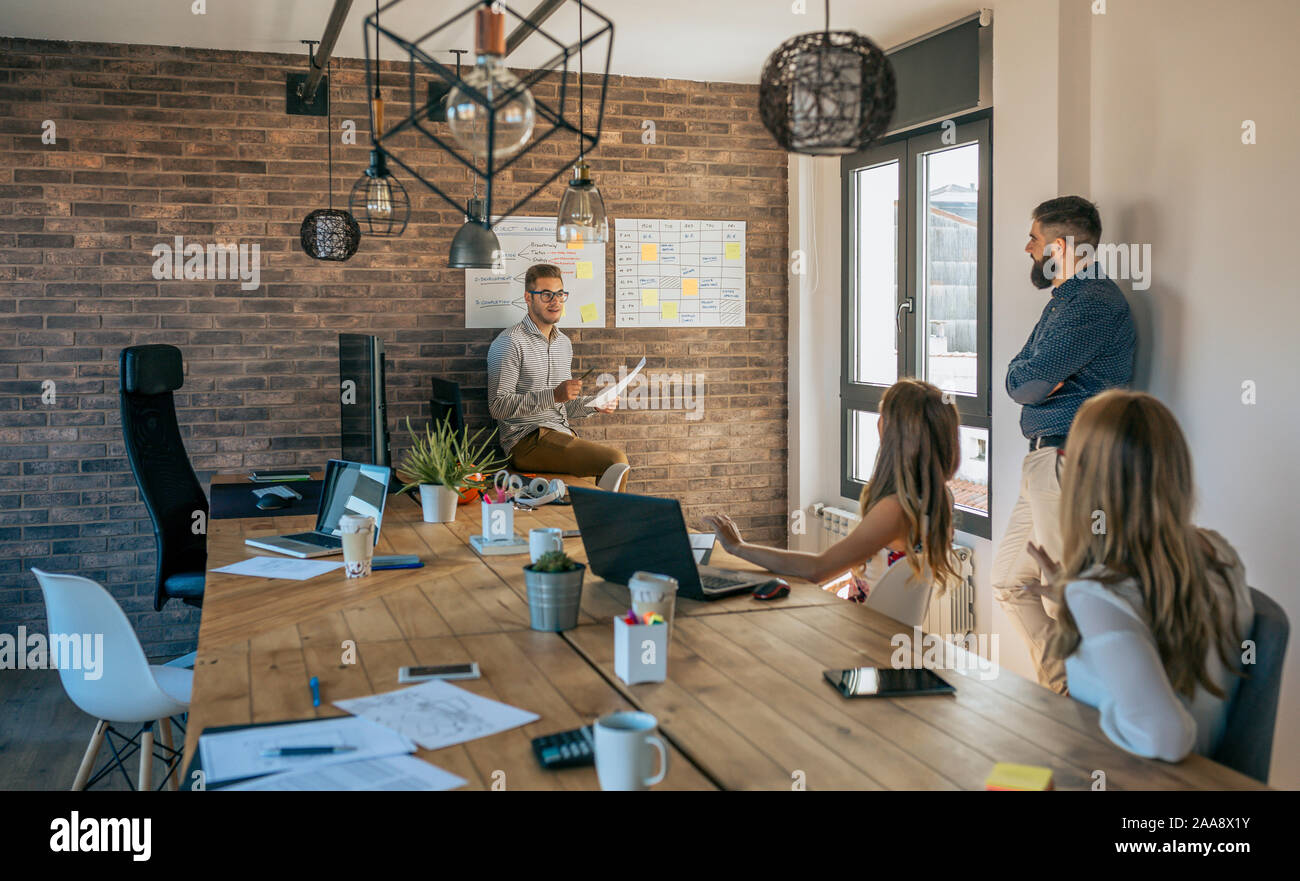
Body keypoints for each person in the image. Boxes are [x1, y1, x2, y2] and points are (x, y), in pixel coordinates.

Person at [1028, 391, 1252, 761]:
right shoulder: (1221, 554)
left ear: (1084, 479)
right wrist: (1078, 601)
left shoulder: (1099, 594)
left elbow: (1168, 736)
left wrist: (1087, 601)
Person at [993, 196, 1137, 694]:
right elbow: (1021, 376)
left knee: (1064, 597)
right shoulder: (1066, 300)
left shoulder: (1091, 303)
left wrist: (1033, 380)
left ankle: (1076, 715)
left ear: (1057, 246)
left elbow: (1025, 383)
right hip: (1044, 459)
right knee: (1012, 582)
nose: (1027, 247)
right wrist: (1031, 379)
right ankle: (1061, 693)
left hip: (1068, 459)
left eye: (1034, 238)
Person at [705, 379, 961, 601]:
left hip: (863, 636)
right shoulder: (940, 499)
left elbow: (818, 569)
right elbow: (883, 574)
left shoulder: (895, 509)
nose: (879, 423)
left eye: (883, 416)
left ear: (893, 433)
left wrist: (738, 547)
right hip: (888, 636)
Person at [486, 263, 627, 480]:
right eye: (546, 295)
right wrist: (553, 395)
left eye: (560, 294)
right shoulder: (509, 342)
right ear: (528, 298)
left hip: (560, 434)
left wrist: (594, 404)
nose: (555, 301)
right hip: (525, 441)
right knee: (615, 461)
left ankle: (594, 513)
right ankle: (607, 514)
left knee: (610, 466)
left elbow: (563, 407)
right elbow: (497, 407)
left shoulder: (563, 343)